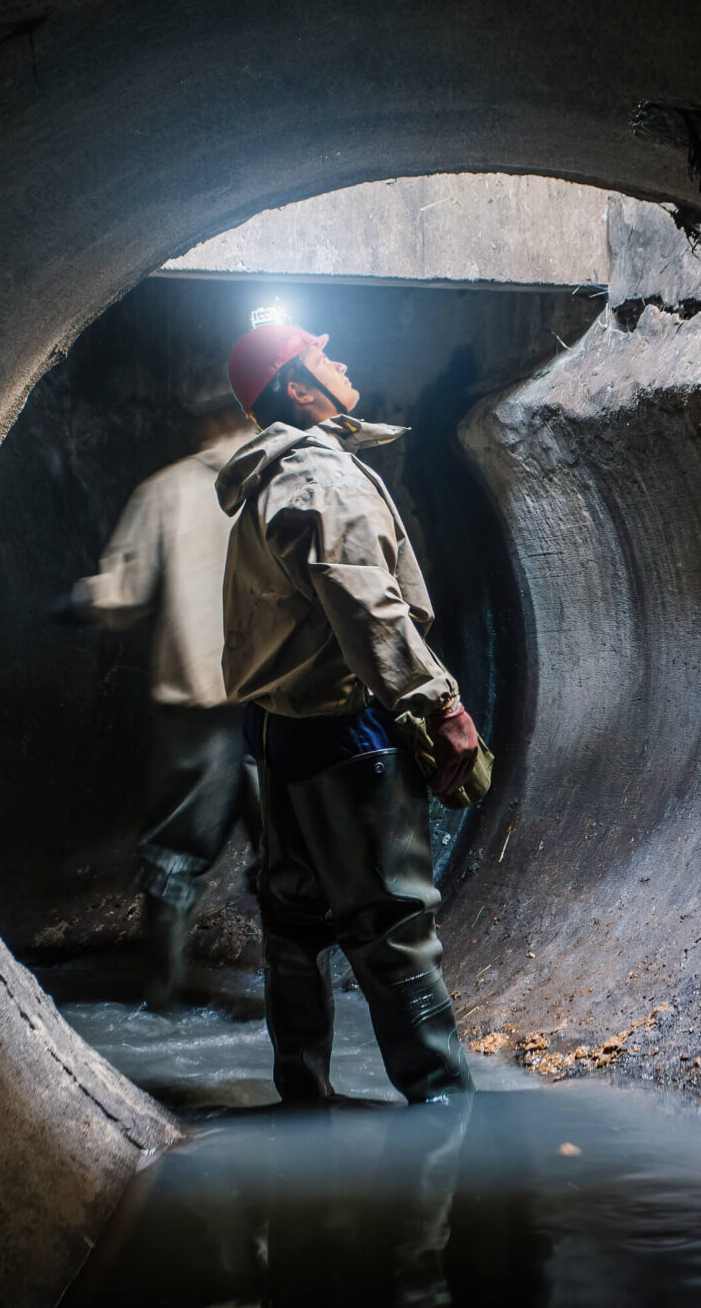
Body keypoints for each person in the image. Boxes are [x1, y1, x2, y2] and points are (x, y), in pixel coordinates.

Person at [216, 313, 488, 1105]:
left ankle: (304, 1105)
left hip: (276, 733)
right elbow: (368, 607)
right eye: (320, 354)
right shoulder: (321, 479)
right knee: (395, 930)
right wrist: (439, 704)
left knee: (294, 925)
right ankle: (447, 1116)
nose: (338, 356)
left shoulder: (272, 476)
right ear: (299, 388)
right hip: (344, 733)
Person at [66, 392, 258, 1011]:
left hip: (195, 706)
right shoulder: (292, 478)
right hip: (285, 706)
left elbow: (122, 595)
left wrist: (75, 602)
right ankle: (300, 1011)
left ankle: (165, 1004)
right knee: (297, 863)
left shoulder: (165, 489)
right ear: (253, 412)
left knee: (174, 860)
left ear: (203, 418)